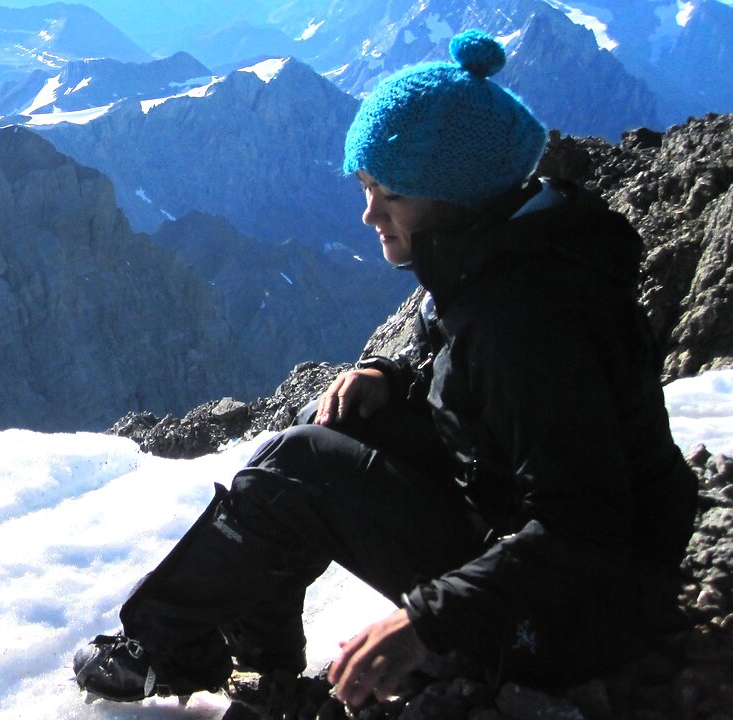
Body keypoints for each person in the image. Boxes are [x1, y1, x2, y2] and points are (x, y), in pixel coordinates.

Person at [72, 29, 697, 712]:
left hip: (581, 619)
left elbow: (586, 531)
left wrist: (424, 622)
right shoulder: (502, 250)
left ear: (454, 194)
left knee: (297, 467)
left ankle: (167, 650)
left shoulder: (528, 323)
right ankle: (262, 665)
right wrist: (389, 377)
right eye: (367, 187)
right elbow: (460, 369)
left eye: (389, 194)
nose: (369, 213)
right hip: (556, 556)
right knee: (327, 424)